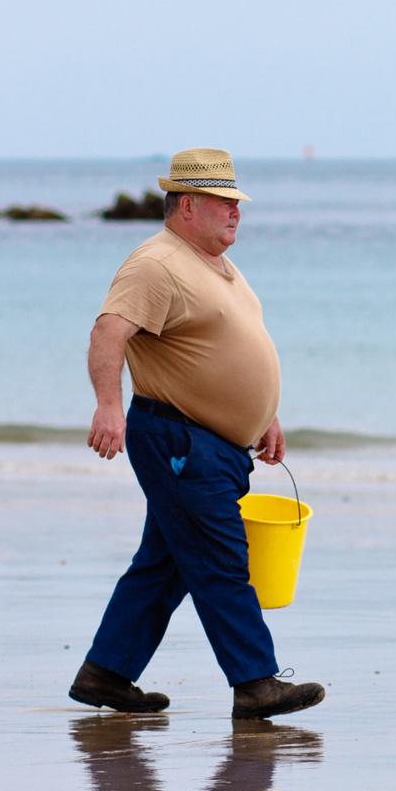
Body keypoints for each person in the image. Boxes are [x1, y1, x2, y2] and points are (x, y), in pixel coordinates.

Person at [68, 148, 325, 720]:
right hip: (179, 440)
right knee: (221, 560)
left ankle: (105, 674)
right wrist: (109, 406)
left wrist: (263, 416)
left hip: (213, 444)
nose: (237, 212)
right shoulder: (156, 264)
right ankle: (256, 682)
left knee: (165, 565)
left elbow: (226, 349)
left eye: (238, 202)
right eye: (224, 202)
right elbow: (108, 333)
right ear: (188, 205)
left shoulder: (214, 263)